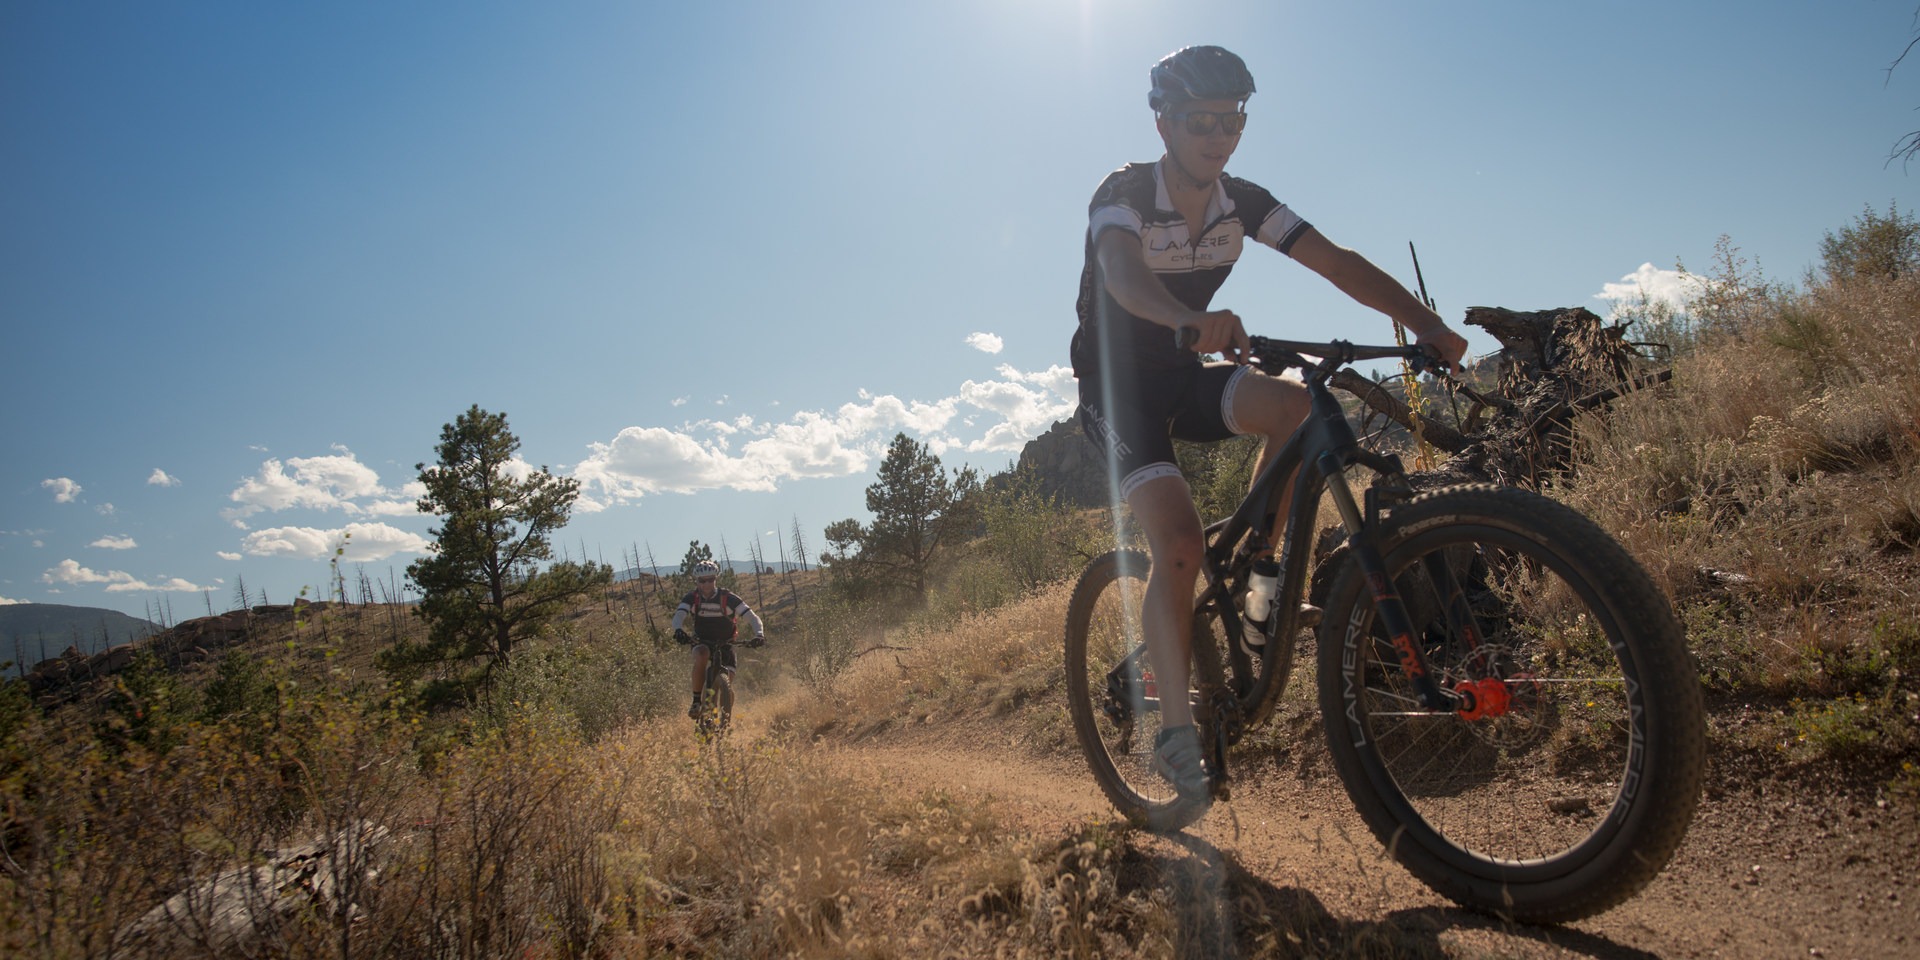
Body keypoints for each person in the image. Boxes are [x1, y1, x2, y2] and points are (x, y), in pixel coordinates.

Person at [1070, 45, 1469, 802]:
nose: (1219, 136)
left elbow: (1337, 262)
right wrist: (1190, 319)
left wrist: (1426, 325)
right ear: (1163, 123)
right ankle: (1177, 735)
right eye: (1200, 121)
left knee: (1297, 406)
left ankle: (1261, 566)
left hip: (1187, 374)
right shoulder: (1124, 191)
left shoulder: (1242, 202)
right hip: (1118, 390)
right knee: (1179, 544)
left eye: (1233, 120)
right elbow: (1120, 274)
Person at [671, 560, 766, 724]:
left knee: (727, 682)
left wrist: (759, 634)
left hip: (726, 643)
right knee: (702, 654)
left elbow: (752, 617)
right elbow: (679, 615)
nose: (706, 584)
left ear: (715, 579)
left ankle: (725, 719)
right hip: (702, 641)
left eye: (710, 579)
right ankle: (696, 701)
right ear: (697, 581)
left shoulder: (728, 598)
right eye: (702, 581)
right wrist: (678, 630)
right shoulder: (692, 598)